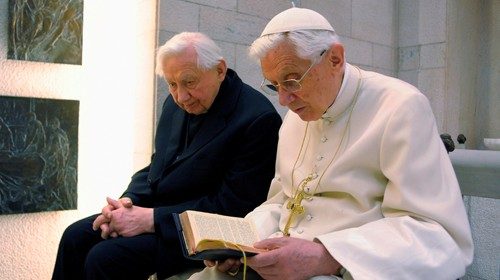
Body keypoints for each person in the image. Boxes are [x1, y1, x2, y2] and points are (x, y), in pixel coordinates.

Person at [188, 7, 474, 280]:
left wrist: (328, 255)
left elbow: (436, 236)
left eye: (292, 80)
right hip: (275, 264)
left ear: (335, 59)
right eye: (275, 86)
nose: (284, 101)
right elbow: (282, 202)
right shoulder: (294, 120)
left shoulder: (401, 107)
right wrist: (241, 242)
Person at [52, 32, 282, 280]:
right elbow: (156, 167)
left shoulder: (258, 119)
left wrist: (150, 220)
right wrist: (125, 204)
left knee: (105, 257)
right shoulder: (175, 103)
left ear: (220, 70)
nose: (181, 96)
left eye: (189, 82)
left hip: (198, 234)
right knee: (74, 236)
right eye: (172, 84)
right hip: (157, 213)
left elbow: (233, 206)